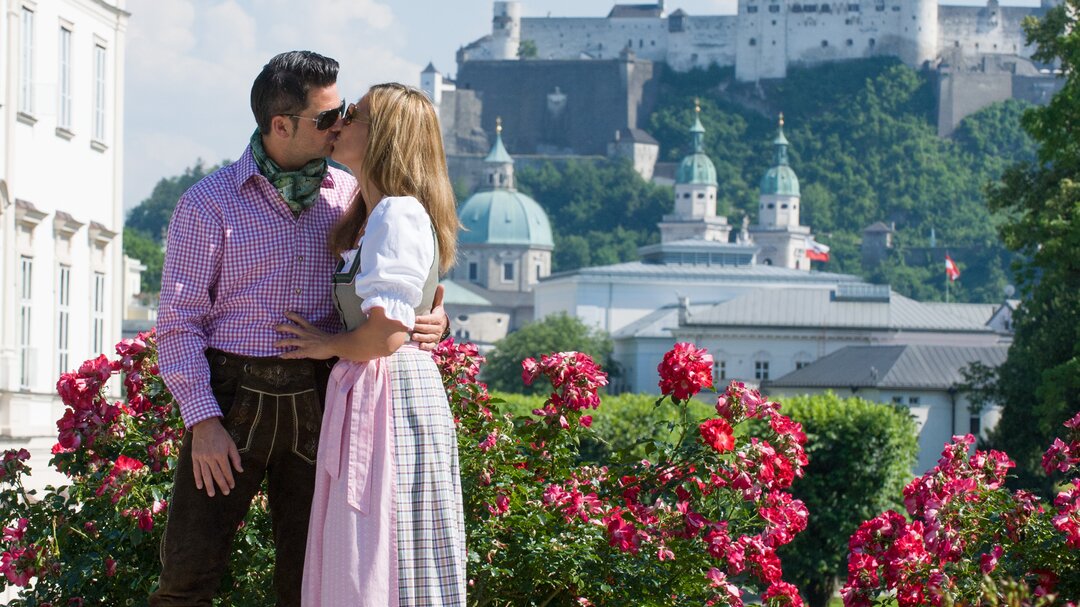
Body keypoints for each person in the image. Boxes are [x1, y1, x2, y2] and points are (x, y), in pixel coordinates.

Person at [151, 54, 449, 607]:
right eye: (327, 117)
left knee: (310, 581)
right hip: (230, 397)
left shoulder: (354, 195)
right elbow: (177, 324)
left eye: (346, 113)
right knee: (187, 574)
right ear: (281, 124)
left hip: (324, 397)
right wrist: (203, 421)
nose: (340, 124)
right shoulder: (207, 203)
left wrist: (431, 320)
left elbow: (397, 284)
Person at [274, 83, 467, 606]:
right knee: (378, 543)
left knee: (381, 541)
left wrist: (323, 344)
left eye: (352, 115)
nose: (338, 122)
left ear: (383, 136)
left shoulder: (396, 213)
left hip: (390, 394)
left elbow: (387, 333)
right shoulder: (370, 210)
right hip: (380, 388)